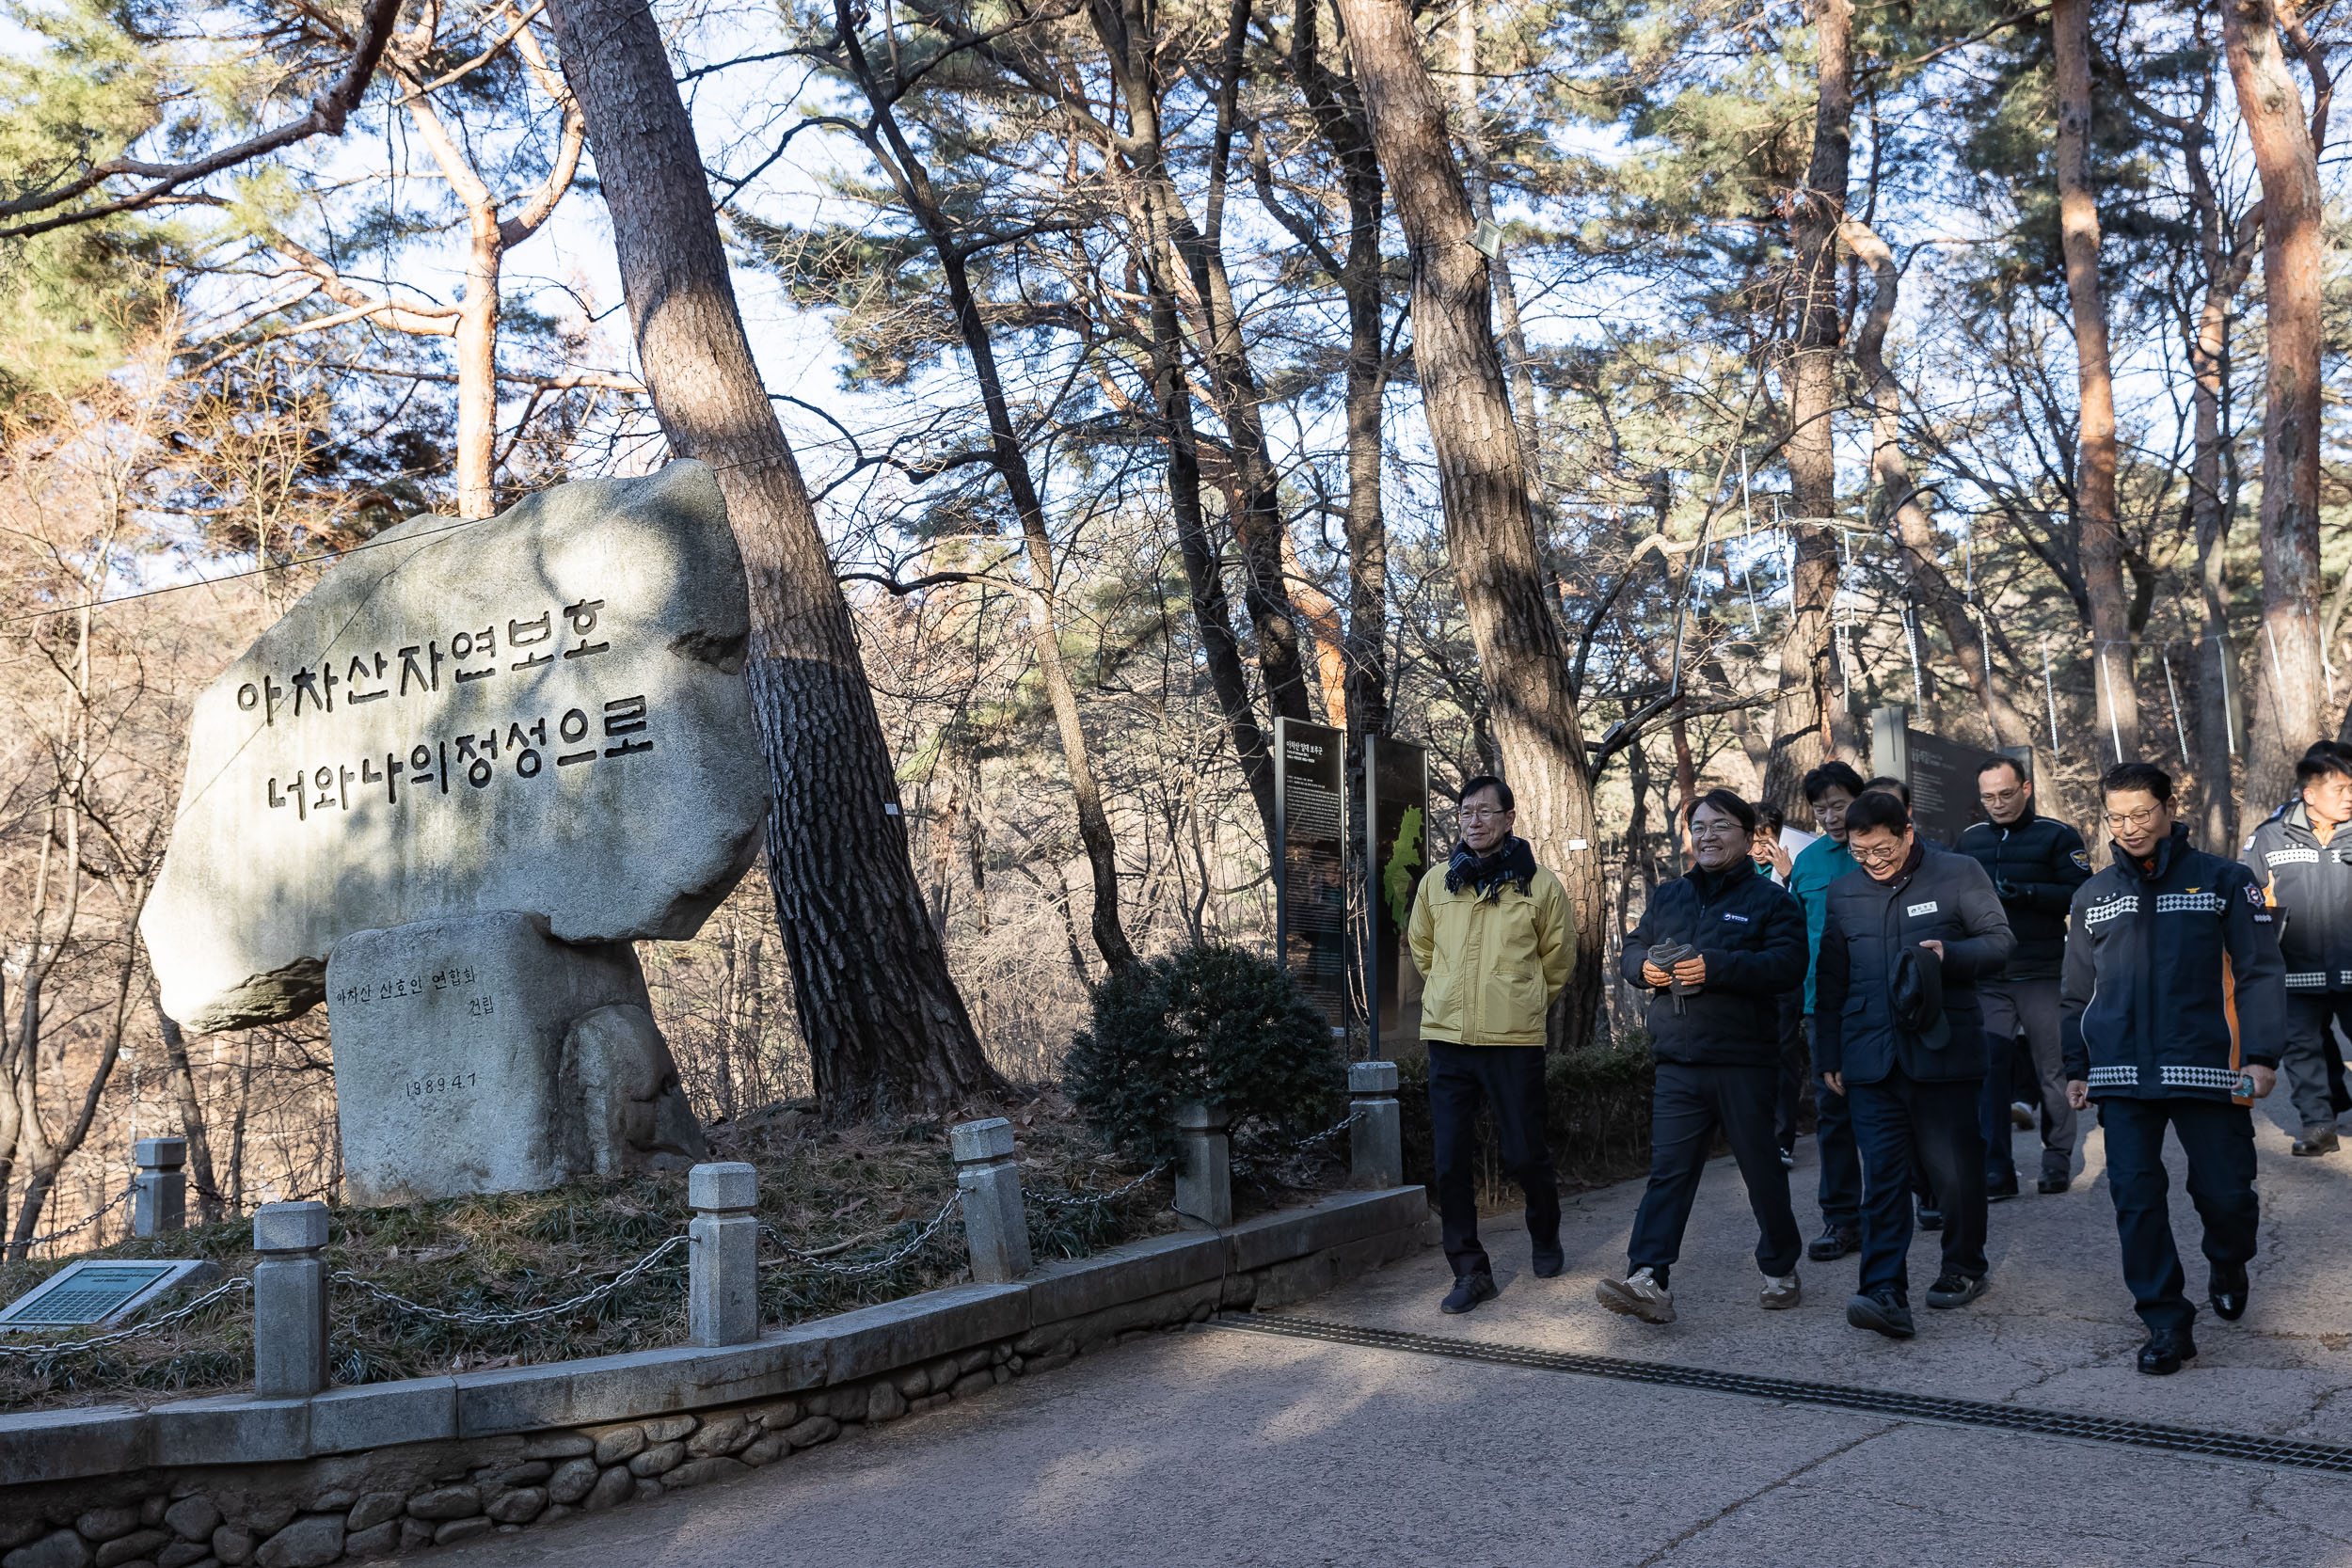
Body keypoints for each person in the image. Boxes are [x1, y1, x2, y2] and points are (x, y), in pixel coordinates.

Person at [2063, 762, 2283, 1374]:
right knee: (2135, 1195)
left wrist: (2262, 1055)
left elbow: (2260, 970)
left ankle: (2229, 1258)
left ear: (2168, 806)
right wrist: (2074, 1065)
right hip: (2121, 1076)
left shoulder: (2224, 880)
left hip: (2209, 1068)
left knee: (2225, 1192)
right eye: (2116, 816)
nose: (2129, 827)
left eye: (2141, 812)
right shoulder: (2093, 895)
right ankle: (2164, 1320)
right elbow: (2075, 994)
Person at [1599, 790, 1810, 1323]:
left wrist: (1716, 966)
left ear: (1747, 834)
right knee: (1668, 1173)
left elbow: (1786, 965)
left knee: (1761, 1171)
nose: (1708, 835)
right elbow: (1632, 946)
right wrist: (1641, 967)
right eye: (1699, 826)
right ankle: (1647, 1277)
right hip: (1679, 1060)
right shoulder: (1669, 895)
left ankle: (1780, 1268)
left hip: (1745, 1060)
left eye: (1721, 826)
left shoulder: (1773, 902)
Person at [1816, 790, 2015, 1339]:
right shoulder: (1842, 891)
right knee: (1881, 1177)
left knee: (1953, 1173)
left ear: (1908, 831)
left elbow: (2000, 942)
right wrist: (1828, 1053)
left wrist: (1953, 956)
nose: (1873, 862)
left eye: (1882, 849)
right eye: (1861, 853)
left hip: (1943, 1050)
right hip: (1869, 1057)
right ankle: (1882, 1290)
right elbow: (1831, 979)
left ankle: (1964, 1266)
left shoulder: (1958, 872)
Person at [1408, 774, 1574, 1314]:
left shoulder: (1540, 885)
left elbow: (1558, 960)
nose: (1473, 821)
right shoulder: (1437, 882)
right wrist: (1450, 997)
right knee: (1450, 1159)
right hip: (1449, 1040)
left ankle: (1545, 1235)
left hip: (1513, 1039)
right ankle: (1470, 1269)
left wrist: (1519, 1001)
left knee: (1526, 1153)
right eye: (1465, 813)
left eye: (1485, 812)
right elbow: (1423, 949)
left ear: (1509, 820)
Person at [1954, 756, 2092, 1197]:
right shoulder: (1969, 840)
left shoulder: (2057, 835)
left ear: (2026, 789)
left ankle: (2056, 1160)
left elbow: (2082, 893)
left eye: (2006, 794)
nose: (1998, 804)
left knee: (2052, 1069)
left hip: (2042, 972)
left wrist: (2031, 894)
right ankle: (1997, 1168)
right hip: (1989, 975)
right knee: (1988, 1071)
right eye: (1989, 797)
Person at [2242, 742, 2352, 1155]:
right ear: (2309, 794)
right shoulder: (2269, 837)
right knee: (2302, 1052)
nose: (2348, 797)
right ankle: (2318, 1127)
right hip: (2296, 970)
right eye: (2339, 789)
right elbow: (2247, 897)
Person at [1788, 761, 1868, 1259]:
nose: (1831, 818)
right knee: (1833, 1114)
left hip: (1882, 999)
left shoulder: (1878, 851)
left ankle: (1923, 1194)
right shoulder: (1808, 863)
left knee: (1900, 1106)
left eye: (1839, 806)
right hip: (1824, 1006)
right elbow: (1797, 935)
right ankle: (1841, 1220)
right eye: (1821, 810)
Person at [1754, 802, 1810, 1164]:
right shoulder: (1738, 869)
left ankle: (1781, 1139)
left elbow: (1806, 917)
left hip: (1784, 979)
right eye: (1753, 841)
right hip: (1749, 978)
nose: (1759, 849)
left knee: (1784, 1057)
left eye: (1766, 840)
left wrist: (1787, 877)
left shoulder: (1796, 865)